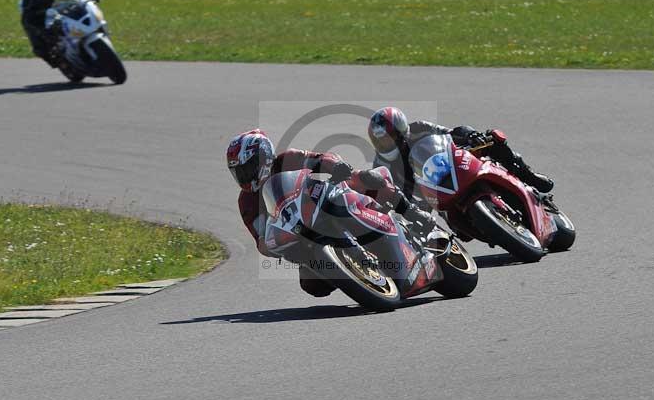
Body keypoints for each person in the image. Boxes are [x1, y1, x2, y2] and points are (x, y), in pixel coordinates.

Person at [227, 129, 434, 297]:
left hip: (321, 201)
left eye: (247, 168)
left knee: (362, 178)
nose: (245, 176)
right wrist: (274, 246)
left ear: (264, 157)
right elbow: (261, 240)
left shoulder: (286, 159)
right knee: (313, 286)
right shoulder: (246, 202)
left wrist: (337, 166)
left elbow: (320, 159)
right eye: (239, 172)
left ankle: (411, 212)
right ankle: (355, 274)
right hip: (299, 236)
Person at [367, 107, 555, 199]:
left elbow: (450, 132)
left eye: (388, 137)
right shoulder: (381, 165)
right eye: (380, 139)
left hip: (453, 164)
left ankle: (527, 175)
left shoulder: (419, 128)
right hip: (432, 195)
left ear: (400, 131)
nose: (385, 143)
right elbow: (387, 193)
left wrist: (471, 136)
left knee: (491, 139)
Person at [19, 0, 99, 67]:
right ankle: (55, 62)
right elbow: (27, 20)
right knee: (39, 47)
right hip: (37, 19)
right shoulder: (27, 0)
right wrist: (40, 31)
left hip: (57, 11)